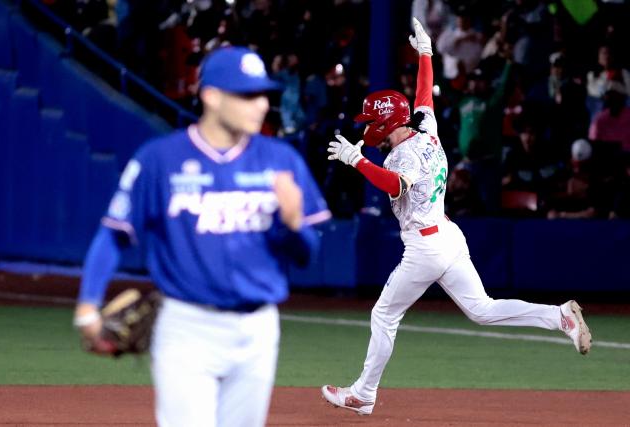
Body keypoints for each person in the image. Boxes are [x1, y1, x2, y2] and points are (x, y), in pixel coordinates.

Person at [320, 17, 592, 416]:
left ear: (383, 123)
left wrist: (357, 160)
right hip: (448, 236)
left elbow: (396, 185)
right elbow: (423, 99)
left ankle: (364, 393)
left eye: (370, 122)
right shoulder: (425, 130)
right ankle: (559, 317)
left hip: (426, 247)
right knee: (481, 309)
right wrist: (426, 55)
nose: (367, 128)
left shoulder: (403, 154)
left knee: (384, 313)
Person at [73, 46, 331, 427]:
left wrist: (294, 223)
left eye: (263, 94)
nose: (260, 105)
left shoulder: (280, 160)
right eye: (246, 95)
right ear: (211, 96)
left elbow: (306, 256)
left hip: (258, 330)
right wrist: (86, 308)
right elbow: (113, 235)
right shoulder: (160, 159)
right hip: (186, 327)